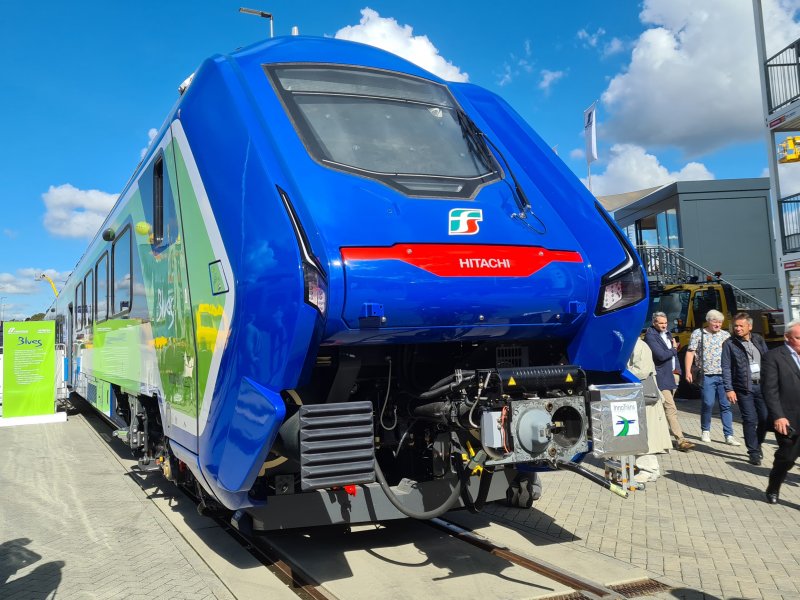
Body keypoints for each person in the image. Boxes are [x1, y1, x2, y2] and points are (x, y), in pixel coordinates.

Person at [685, 309, 741, 446]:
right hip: (706, 376)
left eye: (720, 322)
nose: (718, 324)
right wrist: (688, 371)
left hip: (724, 376)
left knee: (726, 405)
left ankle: (729, 435)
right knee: (707, 403)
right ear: (708, 321)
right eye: (715, 321)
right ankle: (705, 430)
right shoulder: (698, 334)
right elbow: (690, 353)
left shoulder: (725, 335)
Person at [721, 312, 769, 465]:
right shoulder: (729, 344)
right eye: (735, 326)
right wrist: (729, 389)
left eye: (741, 326)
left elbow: (768, 360)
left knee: (765, 418)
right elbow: (726, 367)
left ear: (750, 326)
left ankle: (758, 442)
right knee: (749, 419)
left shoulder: (758, 339)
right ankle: (753, 452)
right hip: (743, 388)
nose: (738, 328)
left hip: (762, 386)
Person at [643, 312, 695, 451]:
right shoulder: (650, 336)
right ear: (654, 323)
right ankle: (681, 440)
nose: (664, 325)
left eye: (665, 322)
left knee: (665, 408)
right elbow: (660, 355)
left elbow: (673, 357)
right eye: (661, 323)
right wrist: (674, 349)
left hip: (673, 375)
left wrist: (678, 370)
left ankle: (663, 437)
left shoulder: (668, 333)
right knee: (671, 408)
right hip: (662, 376)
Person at [762, 319, 800, 504]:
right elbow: (770, 389)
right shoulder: (773, 357)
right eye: (799, 338)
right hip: (788, 418)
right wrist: (778, 416)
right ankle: (774, 485)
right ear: (787, 337)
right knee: (787, 458)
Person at [627, 337, 673, 483]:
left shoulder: (638, 345)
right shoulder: (633, 343)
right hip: (640, 395)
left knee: (646, 434)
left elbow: (642, 370)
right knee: (644, 434)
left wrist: (619, 372)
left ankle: (648, 470)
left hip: (645, 396)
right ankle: (651, 469)